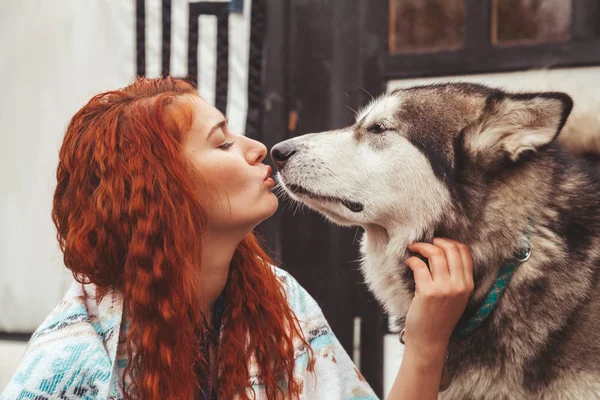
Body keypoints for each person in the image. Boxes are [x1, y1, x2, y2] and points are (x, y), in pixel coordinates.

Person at [1, 77, 473, 400]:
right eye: (222, 143)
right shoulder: (73, 361)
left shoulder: (280, 303)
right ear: (161, 190)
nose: (258, 149)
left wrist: (427, 340)